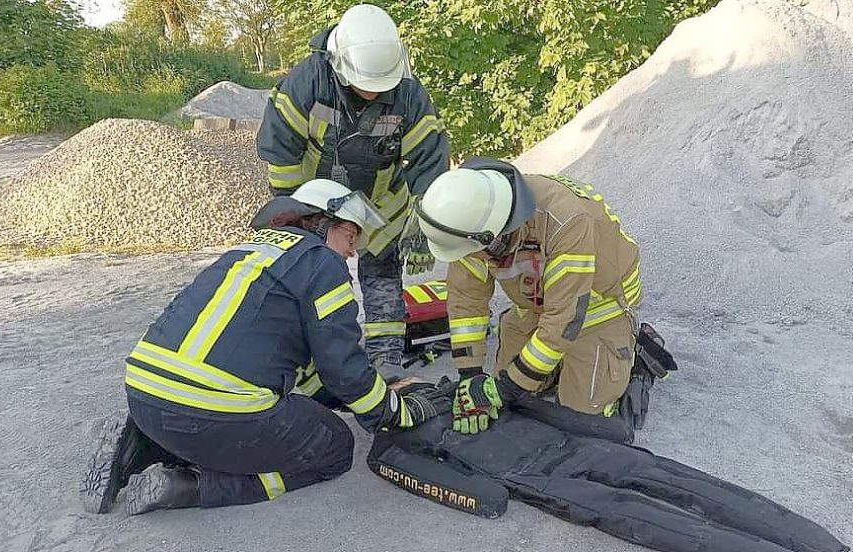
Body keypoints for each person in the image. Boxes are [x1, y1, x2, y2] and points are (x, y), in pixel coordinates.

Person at [79, 179, 437, 516]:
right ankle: (190, 486)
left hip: (144, 398)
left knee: (235, 414)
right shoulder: (322, 263)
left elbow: (297, 364)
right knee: (333, 446)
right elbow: (342, 367)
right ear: (322, 223)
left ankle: (135, 447)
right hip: (212, 414)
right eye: (349, 236)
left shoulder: (247, 252)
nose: (351, 252)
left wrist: (335, 398)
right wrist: (392, 412)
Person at [368, 381, 851, 552]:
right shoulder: (402, 436)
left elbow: (485, 499)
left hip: (551, 464)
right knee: (677, 492)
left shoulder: (408, 430)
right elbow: (482, 497)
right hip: (559, 458)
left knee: (655, 509)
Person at [257, 3, 450, 378]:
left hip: (382, 206)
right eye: (365, 84)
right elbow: (280, 153)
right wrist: (297, 218)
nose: (373, 93)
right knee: (314, 278)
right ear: (340, 64)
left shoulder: (408, 93)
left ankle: (386, 361)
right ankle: (311, 363)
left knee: (382, 279)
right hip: (315, 204)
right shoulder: (309, 81)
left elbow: (429, 158)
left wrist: (425, 224)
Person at [415, 157, 645, 433]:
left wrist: (507, 387)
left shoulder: (565, 220)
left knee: (579, 420)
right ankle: (554, 369)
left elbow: (565, 319)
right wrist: (471, 375)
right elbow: (467, 304)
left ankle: (629, 355)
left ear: (493, 237)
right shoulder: (473, 224)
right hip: (538, 303)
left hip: (599, 306)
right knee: (514, 395)